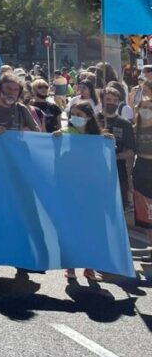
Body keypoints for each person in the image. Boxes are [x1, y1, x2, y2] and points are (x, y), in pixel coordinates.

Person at [63, 100, 110, 281]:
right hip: (71, 188)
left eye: (80, 115)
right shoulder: (66, 134)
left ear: (89, 117)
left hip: (91, 190)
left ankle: (89, 267)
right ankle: (70, 266)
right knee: (72, 227)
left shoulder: (98, 138)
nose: (76, 118)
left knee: (92, 229)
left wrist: (108, 142)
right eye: (73, 114)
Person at [98, 85, 136, 212]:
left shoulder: (125, 124)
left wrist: (116, 157)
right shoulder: (92, 120)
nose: (112, 103)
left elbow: (131, 151)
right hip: (95, 170)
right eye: (108, 99)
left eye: (115, 101)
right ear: (102, 100)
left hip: (117, 171)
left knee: (117, 208)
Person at [132, 97, 152, 258]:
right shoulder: (134, 129)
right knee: (145, 214)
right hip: (140, 169)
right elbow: (131, 153)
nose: (146, 110)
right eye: (144, 107)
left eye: (150, 107)